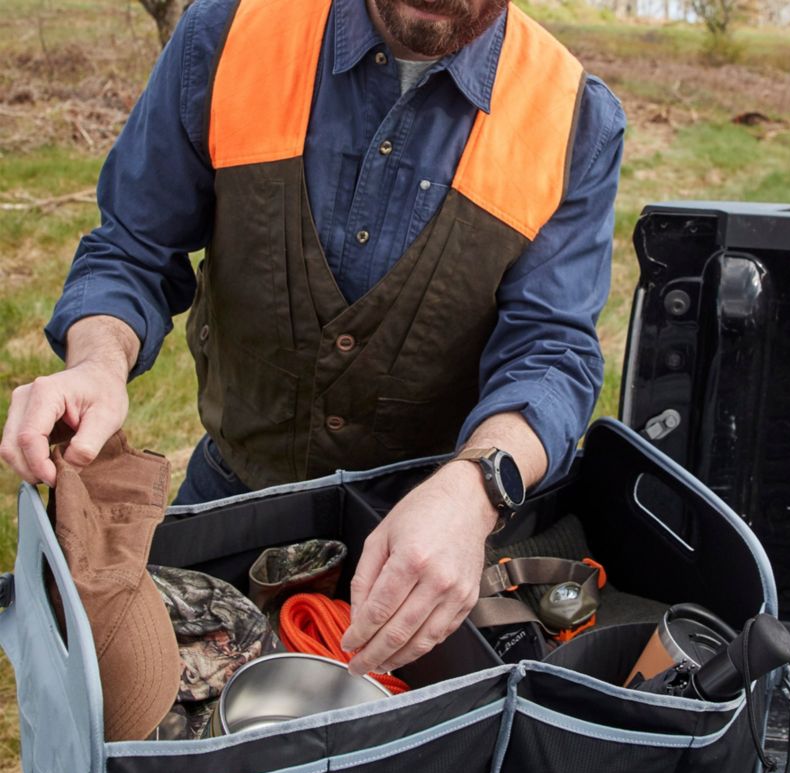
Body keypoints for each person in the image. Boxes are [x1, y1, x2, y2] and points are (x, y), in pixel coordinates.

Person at [0, 0, 624, 677]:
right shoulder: (228, 34)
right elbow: (132, 248)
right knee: (135, 710)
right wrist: (97, 364)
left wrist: (472, 490)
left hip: (432, 534)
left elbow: (551, 353)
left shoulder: (573, 117)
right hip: (235, 493)